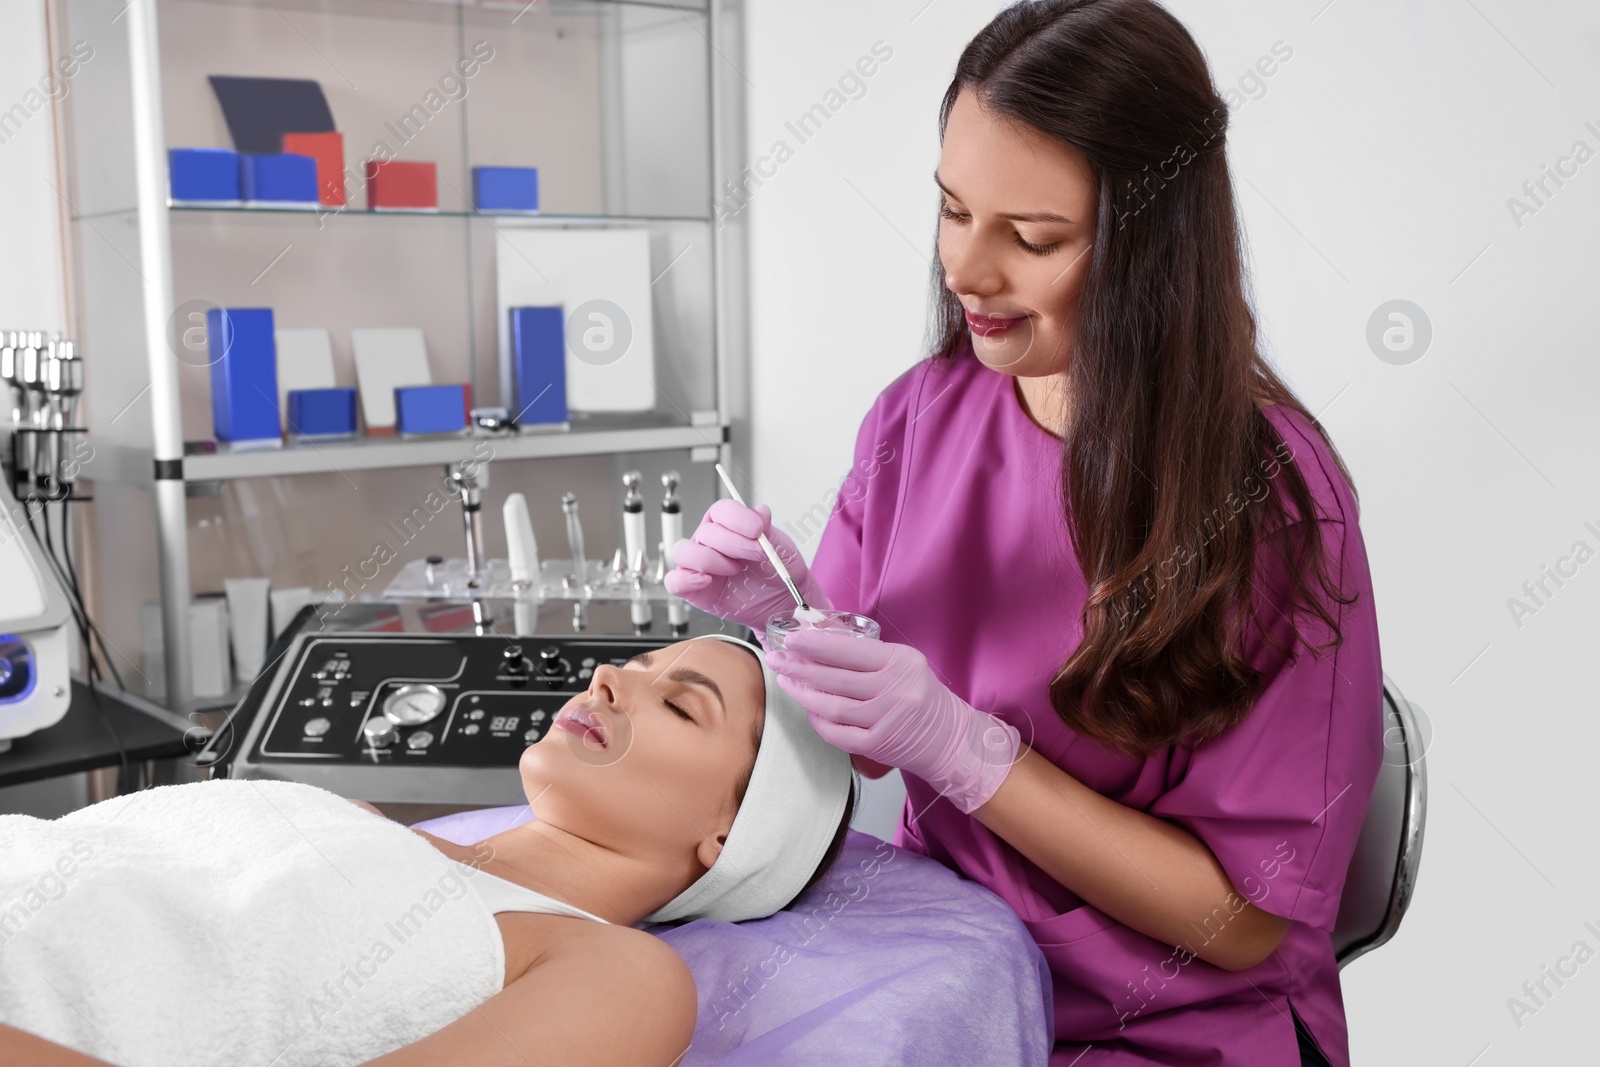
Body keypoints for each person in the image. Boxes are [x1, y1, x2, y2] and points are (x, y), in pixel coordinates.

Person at [664, 1, 1382, 1063]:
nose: (966, 270)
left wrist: (966, 750)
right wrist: (787, 624)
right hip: (952, 964)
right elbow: (858, 752)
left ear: (1154, 245)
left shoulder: (1267, 499)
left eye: (1032, 237)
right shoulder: (919, 416)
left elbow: (1244, 921)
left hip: (1167, 1024)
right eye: (952, 210)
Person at [0, 635, 856, 1066]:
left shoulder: (624, 974)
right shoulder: (356, 820)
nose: (609, 677)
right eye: (636, 661)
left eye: (680, 705)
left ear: (728, 834)